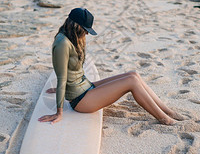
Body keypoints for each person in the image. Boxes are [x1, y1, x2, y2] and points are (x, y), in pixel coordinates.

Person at [38, 8, 184, 125]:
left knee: (134, 75)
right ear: (75, 25)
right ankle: (164, 119)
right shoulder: (62, 43)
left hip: (86, 87)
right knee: (131, 82)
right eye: (85, 29)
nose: (87, 33)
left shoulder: (73, 36)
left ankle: (168, 111)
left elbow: (67, 70)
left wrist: (61, 87)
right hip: (80, 101)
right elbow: (62, 75)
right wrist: (59, 112)